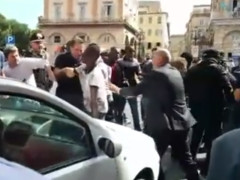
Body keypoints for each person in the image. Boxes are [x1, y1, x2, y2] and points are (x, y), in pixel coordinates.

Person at [110, 49, 200, 180]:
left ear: (158, 60)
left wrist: (116, 89)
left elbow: (135, 91)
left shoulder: (156, 75)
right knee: (185, 158)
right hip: (180, 122)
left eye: (153, 57)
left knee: (152, 156)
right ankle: (195, 177)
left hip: (164, 126)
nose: (151, 60)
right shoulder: (175, 72)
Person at [185, 49, 233, 176]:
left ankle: (190, 166)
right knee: (211, 140)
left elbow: (185, 88)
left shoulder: (192, 70)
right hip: (214, 110)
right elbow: (228, 88)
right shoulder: (218, 70)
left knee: (195, 137)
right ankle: (207, 168)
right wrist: (230, 104)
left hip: (196, 109)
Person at [65, 43, 108, 119]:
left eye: (86, 54)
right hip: (88, 107)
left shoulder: (95, 74)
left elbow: (93, 101)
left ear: (93, 58)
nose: (82, 55)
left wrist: (95, 122)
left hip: (98, 110)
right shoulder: (84, 67)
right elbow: (71, 73)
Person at [112, 46, 141, 131]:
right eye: (130, 52)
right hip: (122, 87)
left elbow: (138, 73)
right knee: (119, 110)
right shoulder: (119, 62)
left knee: (134, 110)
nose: (131, 54)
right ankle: (119, 127)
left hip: (132, 87)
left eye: (132, 52)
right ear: (126, 52)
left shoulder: (135, 62)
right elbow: (117, 74)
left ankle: (137, 128)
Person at [53, 38, 85, 110]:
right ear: (71, 48)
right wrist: (64, 71)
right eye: (76, 50)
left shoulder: (84, 60)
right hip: (64, 96)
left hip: (79, 98)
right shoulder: (62, 58)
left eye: (81, 50)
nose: (79, 53)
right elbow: (56, 73)